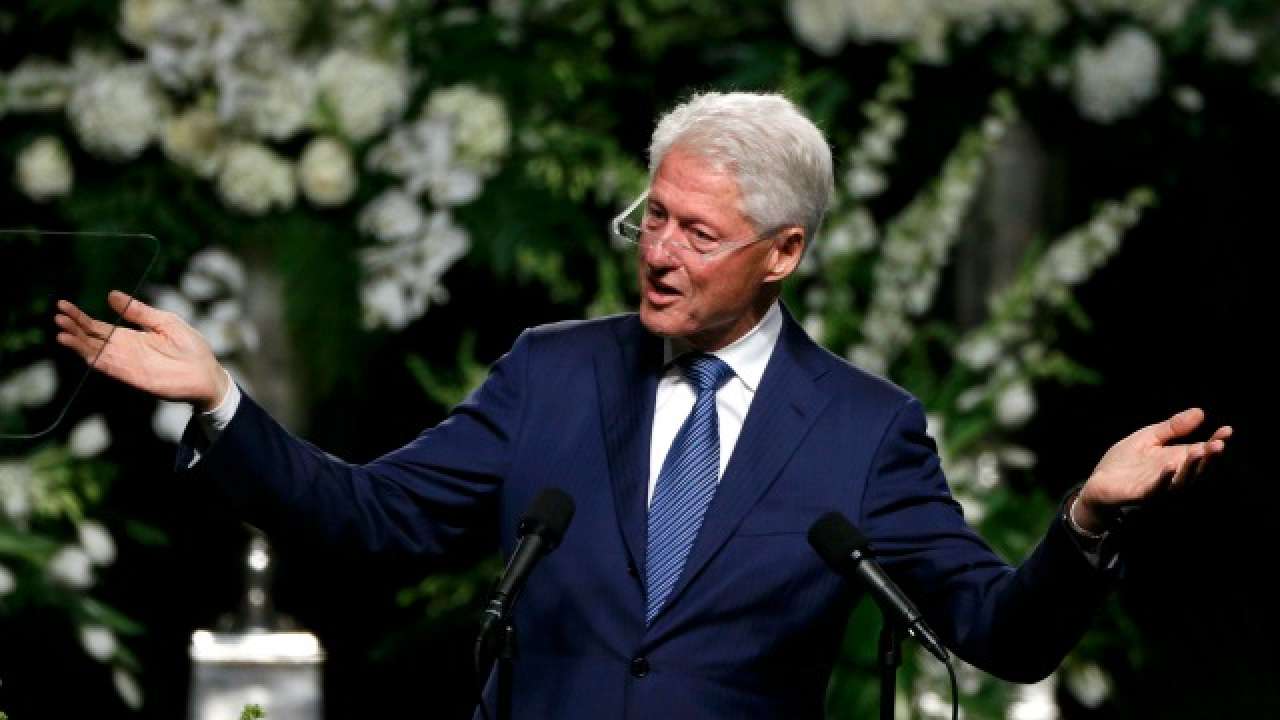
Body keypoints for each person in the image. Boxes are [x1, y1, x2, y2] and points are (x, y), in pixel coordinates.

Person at [55, 92, 1230, 719]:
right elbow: (373, 517)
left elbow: (995, 634)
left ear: (781, 254)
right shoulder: (552, 372)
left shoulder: (863, 430)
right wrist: (220, 399)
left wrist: (1082, 523)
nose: (658, 253)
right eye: (650, 218)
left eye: (697, 234)